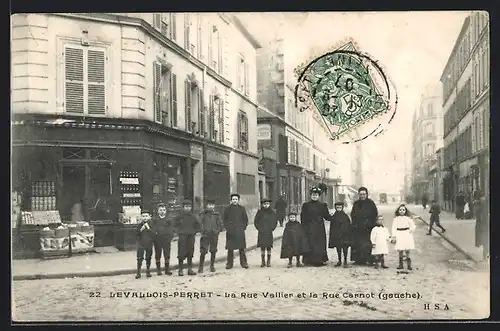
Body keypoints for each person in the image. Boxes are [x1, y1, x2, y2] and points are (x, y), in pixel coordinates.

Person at [300, 186, 333, 266]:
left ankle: (319, 260)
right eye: (313, 195)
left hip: (319, 227)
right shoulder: (306, 205)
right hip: (309, 227)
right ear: (311, 196)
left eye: (316, 195)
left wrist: (334, 217)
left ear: (319, 196)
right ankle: (309, 260)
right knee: (310, 242)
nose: (314, 196)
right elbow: (303, 216)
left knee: (319, 243)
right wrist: (303, 227)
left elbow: (326, 216)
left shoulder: (323, 205)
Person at [350, 187, 379, 265]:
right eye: (361, 194)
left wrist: (371, 223)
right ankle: (358, 260)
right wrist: (355, 224)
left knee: (367, 243)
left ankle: (369, 259)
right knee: (358, 243)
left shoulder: (371, 203)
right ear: (358, 195)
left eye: (364, 194)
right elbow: (353, 214)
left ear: (367, 194)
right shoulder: (356, 203)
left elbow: (375, 214)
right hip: (358, 227)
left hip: (368, 227)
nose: (362, 196)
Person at [174, 200, 200, 276]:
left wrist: (195, 232)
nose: (188, 208)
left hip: (191, 236)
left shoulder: (193, 216)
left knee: (190, 252)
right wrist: (178, 232)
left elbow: (198, 225)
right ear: (183, 207)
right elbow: (174, 225)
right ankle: (180, 269)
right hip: (182, 236)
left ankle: (189, 268)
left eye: (189, 207)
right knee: (181, 252)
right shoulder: (179, 217)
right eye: (186, 207)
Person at [223, 193, 249, 269]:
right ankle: (229, 264)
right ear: (231, 200)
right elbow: (225, 220)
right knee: (230, 249)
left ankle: (243, 263)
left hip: (240, 231)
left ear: (238, 200)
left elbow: (245, 219)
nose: (235, 201)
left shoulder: (242, 208)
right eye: (233, 199)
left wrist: (243, 227)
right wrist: (228, 228)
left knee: (241, 248)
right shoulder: (227, 209)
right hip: (230, 231)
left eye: (236, 199)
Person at [198, 199, 224, 273]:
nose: (211, 206)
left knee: (213, 250)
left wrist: (217, 231)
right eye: (209, 205)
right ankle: (201, 266)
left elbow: (221, 225)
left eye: (212, 205)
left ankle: (212, 265)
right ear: (206, 206)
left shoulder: (216, 215)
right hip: (205, 235)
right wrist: (203, 231)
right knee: (203, 251)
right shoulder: (202, 214)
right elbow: (199, 224)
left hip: (214, 235)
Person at [151, 202, 174, 275]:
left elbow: (171, 229)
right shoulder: (155, 219)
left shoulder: (169, 219)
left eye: (164, 210)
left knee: (167, 254)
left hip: (166, 239)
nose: (162, 211)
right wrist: (155, 235)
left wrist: (170, 237)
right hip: (158, 239)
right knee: (158, 254)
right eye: (160, 210)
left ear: (166, 211)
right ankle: (158, 270)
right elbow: (153, 229)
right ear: (158, 211)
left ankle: (167, 269)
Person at [391, 204, 416, 271]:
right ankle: (400, 264)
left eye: (403, 210)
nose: (402, 211)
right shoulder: (396, 219)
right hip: (399, 234)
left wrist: (410, 230)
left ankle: (409, 265)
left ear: (405, 211)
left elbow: (413, 226)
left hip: (407, 234)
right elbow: (394, 228)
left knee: (407, 250)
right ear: (398, 211)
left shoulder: (408, 218)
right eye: (400, 210)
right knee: (400, 250)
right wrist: (394, 236)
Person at [254, 198, 279, 267]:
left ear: (269, 204)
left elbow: (275, 221)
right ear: (262, 204)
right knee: (262, 247)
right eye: (264, 204)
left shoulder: (272, 212)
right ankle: (263, 261)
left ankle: (268, 261)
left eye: (267, 204)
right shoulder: (259, 212)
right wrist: (259, 228)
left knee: (268, 247)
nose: (266, 205)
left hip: (268, 232)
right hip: (262, 232)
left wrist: (272, 228)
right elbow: (256, 221)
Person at [328, 201, 352, 268]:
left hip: (344, 235)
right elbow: (332, 227)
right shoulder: (334, 216)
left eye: (340, 207)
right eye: (337, 207)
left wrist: (348, 233)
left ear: (342, 208)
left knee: (345, 249)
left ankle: (345, 261)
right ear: (335, 208)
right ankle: (339, 261)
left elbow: (348, 225)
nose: (339, 208)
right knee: (338, 248)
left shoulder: (345, 216)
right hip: (337, 236)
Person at [135, 211, 154, 279]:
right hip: (141, 243)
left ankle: (148, 271)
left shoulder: (152, 224)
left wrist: (148, 228)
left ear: (149, 217)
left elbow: (154, 234)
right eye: (143, 216)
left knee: (148, 257)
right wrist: (141, 229)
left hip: (149, 243)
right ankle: (138, 272)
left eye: (146, 216)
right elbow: (136, 234)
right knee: (139, 258)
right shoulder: (139, 225)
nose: (145, 218)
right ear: (141, 217)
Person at [474, 191, 489, 260]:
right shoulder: (483, 203)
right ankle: (485, 256)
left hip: (483, 226)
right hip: (483, 225)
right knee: (484, 240)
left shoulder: (482, 205)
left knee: (484, 240)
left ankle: (485, 256)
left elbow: (481, 216)